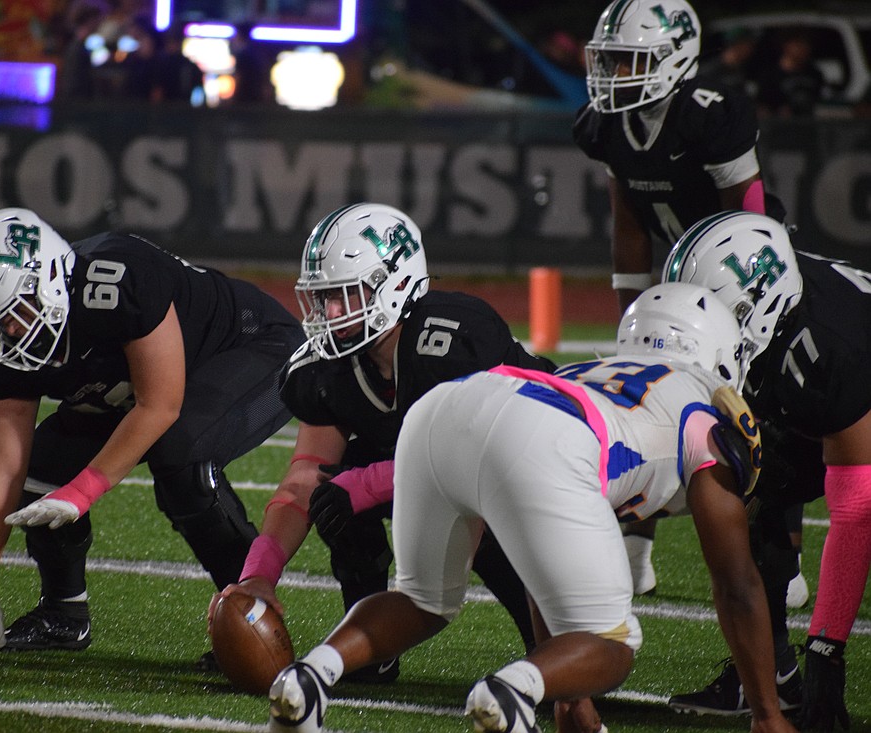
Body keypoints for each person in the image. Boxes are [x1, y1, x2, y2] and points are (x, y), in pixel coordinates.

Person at [266, 281, 797, 733]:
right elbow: (736, 583)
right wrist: (768, 716)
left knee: (421, 600)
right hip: (546, 439)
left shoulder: (595, 370)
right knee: (615, 645)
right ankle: (511, 690)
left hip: (446, 410)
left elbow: (545, 554)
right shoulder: (703, 417)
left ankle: (311, 677)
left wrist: (572, 699)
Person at [209, 203, 554, 683]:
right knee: (333, 485)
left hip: (538, 460)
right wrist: (259, 575)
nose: (330, 313)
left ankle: (552, 648)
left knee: (482, 507)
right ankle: (373, 644)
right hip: (451, 471)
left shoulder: (449, 337)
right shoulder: (325, 370)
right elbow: (304, 478)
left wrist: (368, 482)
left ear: (394, 283)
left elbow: (475, 455)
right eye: (323, 297)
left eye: (346, 295)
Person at [0, 208, 304, 664]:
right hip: (134, 389)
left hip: (253, 345)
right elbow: (5, 462)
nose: (9, 332)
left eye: (16, 312)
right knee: (41, 470)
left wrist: (83, 491)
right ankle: (64, 612)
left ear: (51, 276)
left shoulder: (114, 282)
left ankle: (251, 610)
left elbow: (161, 405)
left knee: (181, 457)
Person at [573, 0, 796, 609]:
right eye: (611, 61)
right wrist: (630, 307)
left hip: (741, 271)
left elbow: (745, 207)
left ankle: (783, 556)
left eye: (630, 61)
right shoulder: (608, 125)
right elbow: (628, 217)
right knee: (638, 397)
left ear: (676, 58)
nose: (616, 75)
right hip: (675, 281)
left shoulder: (708, 113)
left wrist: (742, 300)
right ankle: (633, 558)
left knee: (757, 410)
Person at [663, 210, 871, 731]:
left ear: (753, 307)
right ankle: (769, 674)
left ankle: (813, 672)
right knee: (748, 484)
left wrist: (827, 655)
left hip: (853, 385)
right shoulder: (776, 307)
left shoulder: (824, 352)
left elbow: (855, 510)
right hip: (812, 378)